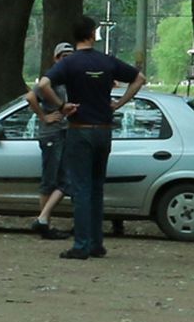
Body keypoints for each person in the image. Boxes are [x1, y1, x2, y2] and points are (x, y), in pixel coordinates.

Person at [37, 15, 145, 260]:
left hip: (80, 129)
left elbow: (44, 85)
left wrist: (61, 106)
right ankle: (97, 243)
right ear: (92, 34)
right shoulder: (106, 61)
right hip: (104, 130)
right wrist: (118, 103)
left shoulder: (70, 63)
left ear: (75, 36)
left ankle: (82, 245)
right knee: (97, 188)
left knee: (81, 188)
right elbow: (140, 78)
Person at [25, 41, 75, 239]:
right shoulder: (51, 78)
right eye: (64, 56)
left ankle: (44, 220)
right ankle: (44, 223)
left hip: (66, 132)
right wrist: (44, 117)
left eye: (71, 56)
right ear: (56, 58)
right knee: (50, 179)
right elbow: (30, 97)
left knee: (64, 179)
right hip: (51, 134)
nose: (68, 60)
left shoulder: (71, 78)